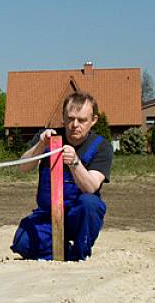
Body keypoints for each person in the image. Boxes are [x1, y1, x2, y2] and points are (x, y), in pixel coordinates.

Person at [11, 91, 113, 261]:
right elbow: (23, 167)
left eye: (81, 120)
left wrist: (75, 162)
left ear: (93, 120)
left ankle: (80, 254)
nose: (74, 125)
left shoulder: (101, 146)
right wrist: (41, 145)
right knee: (22, 243)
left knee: (90, 203)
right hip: (47, 215)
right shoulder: (49, 137)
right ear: (63, 118)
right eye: (70, 118)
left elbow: (91, 186)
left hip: (78, 215)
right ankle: (63, 251)